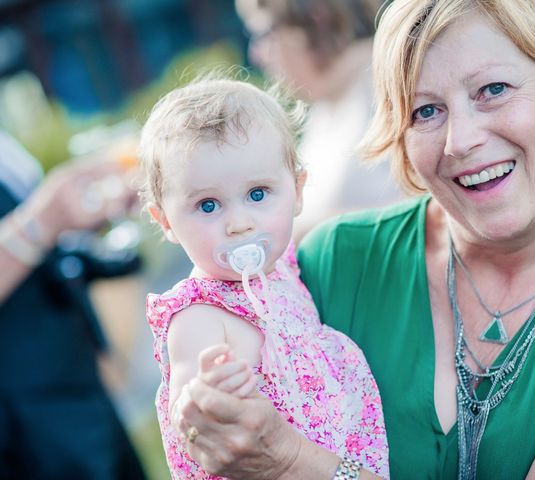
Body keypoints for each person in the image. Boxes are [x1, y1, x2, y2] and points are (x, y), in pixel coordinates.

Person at [169, 0, 535, 479]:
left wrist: (289, 461)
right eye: (426, 111)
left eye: (492, 90)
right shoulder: (336, 262)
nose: (460, 140)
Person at [139, 77, 389, 479]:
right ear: (165, 221)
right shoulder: (198, 315)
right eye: (207, 205)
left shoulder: (283, 268)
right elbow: (189, 419)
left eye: (258, 194)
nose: (239, 223)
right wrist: (215, 391)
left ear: (297, 190)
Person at [0, 129, 146, 479]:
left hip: (77, 388)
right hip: (24, 432)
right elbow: (35, 226)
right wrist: (46, 219)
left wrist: (81, 220)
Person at [236, 0, 403, 237]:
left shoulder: (393, 83)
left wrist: (313, 231)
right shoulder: (322, 108)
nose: (256, 55)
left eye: (263, 34)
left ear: (316, 19)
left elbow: (432, 201)